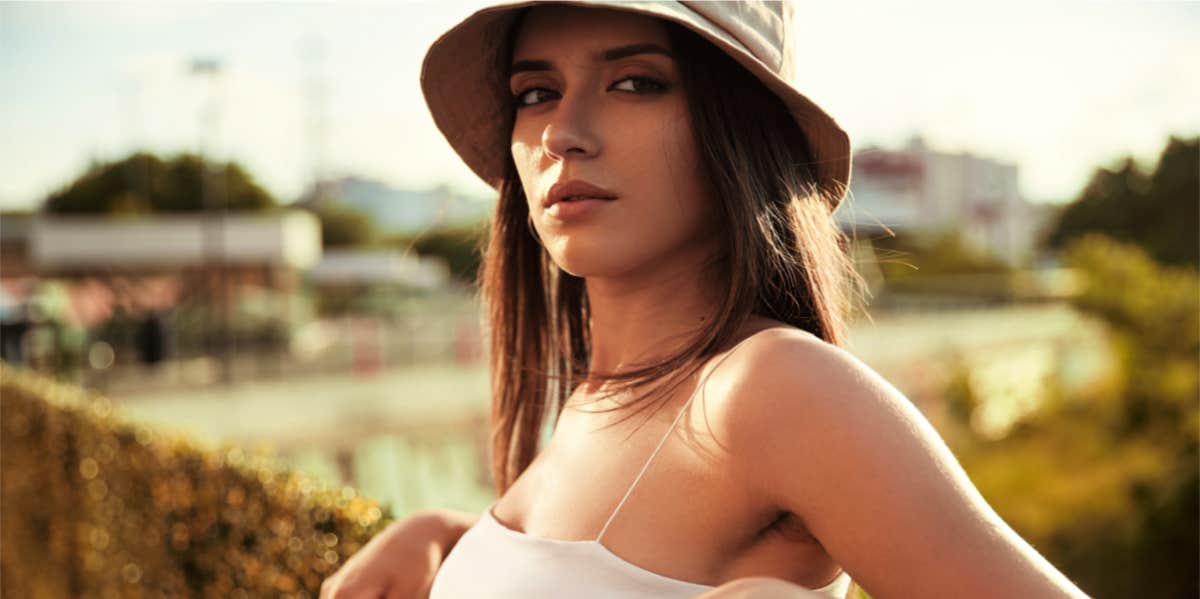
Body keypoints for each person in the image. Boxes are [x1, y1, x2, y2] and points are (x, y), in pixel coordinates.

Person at [321, 2, 1091, 598]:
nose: (563, 132)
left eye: (635, 82)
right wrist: (448, 536)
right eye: (536, 91)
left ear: (739, 129)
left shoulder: (772, 388)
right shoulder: (599, 396)